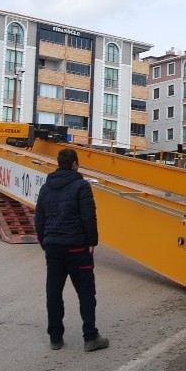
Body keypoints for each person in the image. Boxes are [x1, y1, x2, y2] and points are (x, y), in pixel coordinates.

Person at [34, 147, 109, 353]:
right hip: (77, 248)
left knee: (54, 292)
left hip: (53, 248)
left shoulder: (46, 188)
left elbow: (39, 217)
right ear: (75, 164)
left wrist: (45, 241)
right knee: (86, 292)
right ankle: (90, 337)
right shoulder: (81, 186)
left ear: (59, 164)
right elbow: (88, 216)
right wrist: (92, 241)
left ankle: (56, 338)